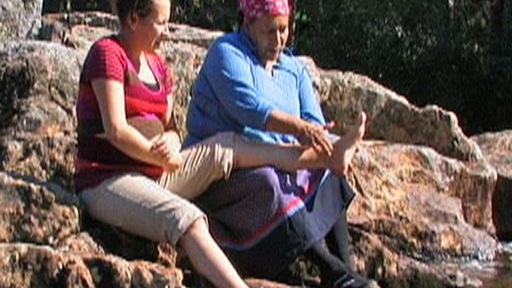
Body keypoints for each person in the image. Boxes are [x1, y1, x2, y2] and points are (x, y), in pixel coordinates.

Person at [74, 0, 368, 287]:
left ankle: (325, 158)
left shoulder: (158, 65)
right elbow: (116, 129)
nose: (168, 31)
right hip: (109, 179)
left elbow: (172, 128)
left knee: (227, 145)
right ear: (134, 19)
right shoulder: (107, 54)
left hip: (158, 171)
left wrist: (170, 144)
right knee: (189, 218)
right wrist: (155, 152)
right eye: (161, 22)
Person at [184, 0, 378, 287]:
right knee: (270, 182)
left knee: (326, 165)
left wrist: (323, 143)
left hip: (284, 157)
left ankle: (346, 273)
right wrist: (300, 130)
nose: (277, 39)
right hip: (227, 170)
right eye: (269, 31)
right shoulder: (225, 53)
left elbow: (314, 123)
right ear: (248, 24)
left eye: (283, 30)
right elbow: (251, 111)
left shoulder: (293, 69)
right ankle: (332, 271)